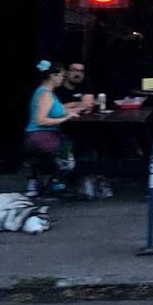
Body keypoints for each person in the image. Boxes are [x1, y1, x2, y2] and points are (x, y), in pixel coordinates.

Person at [23, 61, 81, 196]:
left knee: (64, 147)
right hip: (42, 137)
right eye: (61, 76)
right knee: (70, 151)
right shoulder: (46, 94)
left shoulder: (46, 92)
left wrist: (78, 107)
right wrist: (65, 118)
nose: (62, 79)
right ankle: (56, 183)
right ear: (52, 76)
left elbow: (56, 109)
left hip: (34, 137)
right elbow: (41, 120)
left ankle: (37, 182)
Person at [59, 60, 113, 200]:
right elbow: (55, 108)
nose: (78, 73)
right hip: (61, 127)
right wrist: (78, 104)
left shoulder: (86, 84)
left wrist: (69, 106)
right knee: (81, 143)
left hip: (84, 126)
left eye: (81, 71)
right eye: (74, 70)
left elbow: (87, 105)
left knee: (99, 138)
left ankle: (89, 179)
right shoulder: (58, 87)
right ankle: (83, 180)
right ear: (66, 72)